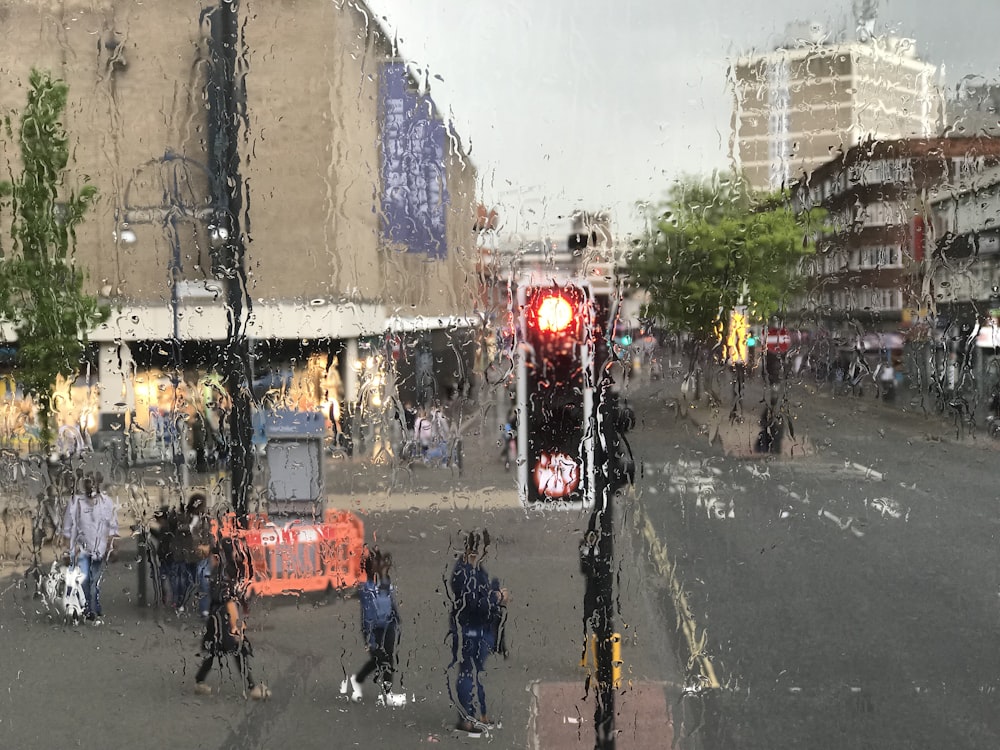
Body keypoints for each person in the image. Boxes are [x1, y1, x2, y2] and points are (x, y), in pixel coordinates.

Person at [448, 530, 509, 735]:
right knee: (468, 671)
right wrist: (498, 597)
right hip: (469, 629)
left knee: (476, 672)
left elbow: (482, 592)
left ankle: (478, 714)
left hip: (480, 628)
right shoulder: (463, 573)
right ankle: (468, 718)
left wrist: (494, 589)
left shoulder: (475, 569)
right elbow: (474, 602)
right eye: (484, 550)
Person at [193, 550, 269, 700]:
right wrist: (236, 626)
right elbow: (229, 602)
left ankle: (199, 680)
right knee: (237, 651)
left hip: (215, 619)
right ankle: (252, 687)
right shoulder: (226, 577)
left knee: (213, 651)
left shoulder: (217, 574)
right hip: (224, 619)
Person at [340, 546, 405, 706]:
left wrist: (396, 618)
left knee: (388, 659)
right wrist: (369, 637)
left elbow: (390, 601)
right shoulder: (366, 588)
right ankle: (359, 678)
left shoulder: (385, 581)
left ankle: (388, 694)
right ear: (371, 567)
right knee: (379, 658)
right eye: (377, 564)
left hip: (388, 625)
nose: (381, 566)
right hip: (375, 629)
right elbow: (368, 615)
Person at [61, 473, 118, 622]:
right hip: (80, 549)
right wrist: (67, 551)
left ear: (99, 483)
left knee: (95, 581)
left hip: (99, 549)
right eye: (87, 483)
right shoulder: (75, 502)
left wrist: (112, 548)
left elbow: (112, 527)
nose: (90, 486)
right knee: (84, 579)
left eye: (93, 483)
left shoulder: (107, 502)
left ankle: (94, 605)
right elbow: (67, 528)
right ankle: (88, 609)